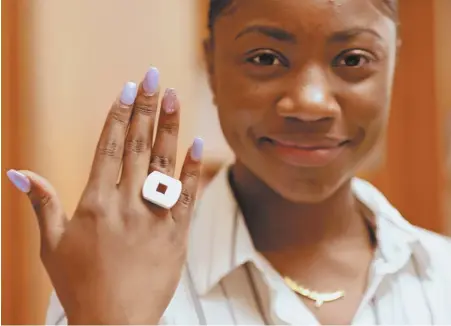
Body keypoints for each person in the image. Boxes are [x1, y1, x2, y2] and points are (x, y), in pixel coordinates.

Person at [7, 0, 451, 324]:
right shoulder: (117, 273)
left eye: (353, 59)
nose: (311, 103)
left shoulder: (441, 277)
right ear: (212, 68)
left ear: (393, 62)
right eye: (265, 58)